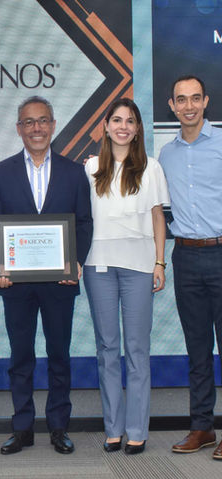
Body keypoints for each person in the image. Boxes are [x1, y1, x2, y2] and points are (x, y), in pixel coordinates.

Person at [0, 96, 93, 455]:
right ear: (19, 129)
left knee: (59, 354)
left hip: (61, 282)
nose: (36, 128)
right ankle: (22, 428)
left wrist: (75, 262)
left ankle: (59, 427)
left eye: (43, 120)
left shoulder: (74, 172)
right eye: (29, 122)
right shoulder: (0, 173)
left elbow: (83, 222)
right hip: (15, 283)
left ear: (53, 125)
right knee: (21, 357)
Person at [83, 98, 169, 455]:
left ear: (137, 129)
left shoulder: (151, 167)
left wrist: (160, 263)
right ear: (105, 126)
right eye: (116, 120)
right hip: (97, 266)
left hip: (139, 266)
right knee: (107, 348)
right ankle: (113, 429)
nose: (123, 126)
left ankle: (136, 430)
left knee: (136, 349)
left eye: (130, 121)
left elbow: (158, 217)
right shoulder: (89, 168)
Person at [159, 75, 222, 460]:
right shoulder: (166, 155)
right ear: (171, 106)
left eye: (195, 98)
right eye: (181, 100)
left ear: (206, 101)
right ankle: (202, 427)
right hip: (185, 257)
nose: (188, 106)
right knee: (197, 349)